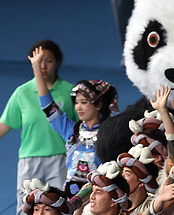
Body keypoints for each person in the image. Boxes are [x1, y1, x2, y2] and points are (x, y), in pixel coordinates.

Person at [0, 39, 76, 215]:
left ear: (57, 62)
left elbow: (80, 127)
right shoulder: (22, 93)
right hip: (29, 162)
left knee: (62, 212)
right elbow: (4, 125)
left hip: (61, 160)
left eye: (48, 60)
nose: (43, 66)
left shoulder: (69, 92)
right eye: (38, 60)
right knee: (27, 214)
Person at [28, 44, 118, 196]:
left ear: (98, 105)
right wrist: (36, 68)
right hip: (70, 196)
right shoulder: (70, 129)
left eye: (84, 102)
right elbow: (47, 106)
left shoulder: (110, 133)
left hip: (99, 196)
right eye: (76, 103)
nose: (78, 108)